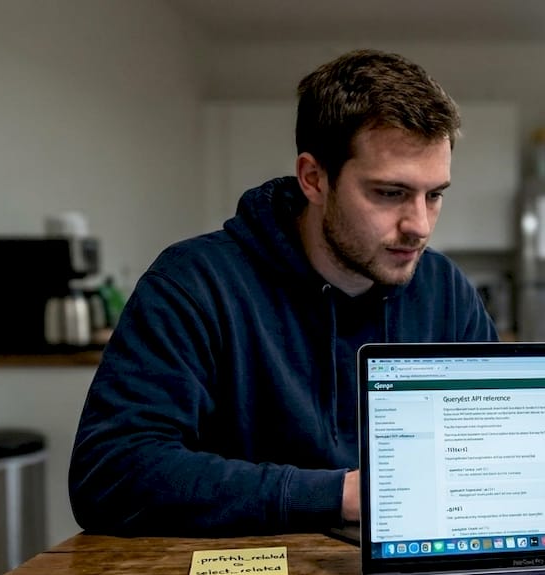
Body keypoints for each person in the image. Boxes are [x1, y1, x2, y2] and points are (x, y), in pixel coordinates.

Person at [69, 50, 498, 536]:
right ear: (314, 179)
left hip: (408, 569)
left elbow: (487, 453)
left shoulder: (447, 293)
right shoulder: (194, 284)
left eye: (434, 195)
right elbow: (111, 474)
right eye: (389, 193)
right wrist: (341, 495)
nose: (419, 226)